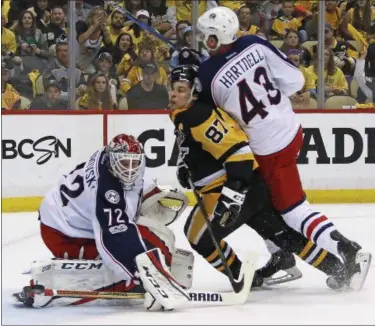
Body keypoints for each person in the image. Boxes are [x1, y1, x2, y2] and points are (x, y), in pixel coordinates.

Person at [194, 6, 371, 290]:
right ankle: (281, 256)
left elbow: (208, 118)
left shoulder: (206, 75)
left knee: (292, 210)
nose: (204, 40)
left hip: (267, 148)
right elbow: (296, 81)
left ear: (214, 38)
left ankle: (349, 250)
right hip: (289, 129)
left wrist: (198, 74)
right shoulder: (254, 43)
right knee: (262, 201)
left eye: (206, 36)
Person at [168, 64, 357, 291]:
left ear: (194, 91)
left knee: (197, 236)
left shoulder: (197, 116)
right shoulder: (188, 113)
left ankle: (241, 275)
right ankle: (338, 268)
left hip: (231, 191)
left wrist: (232, 195)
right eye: (172, 88)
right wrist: (188, 165)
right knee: (282, 235)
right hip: (254, 187)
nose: (173, 94)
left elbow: (239, 154)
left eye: (180, 89)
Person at [14, 134, 191, 311]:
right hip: (63, 234)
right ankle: (123, 282)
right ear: (113, 160)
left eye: (134, 163)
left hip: (69, 217)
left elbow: (128, 195)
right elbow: (114, 234)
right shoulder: (105, 188)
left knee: (151, 238)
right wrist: (140, 274)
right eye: (124, 163)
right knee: (146, 247)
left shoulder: (108, 158)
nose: (129, 169)